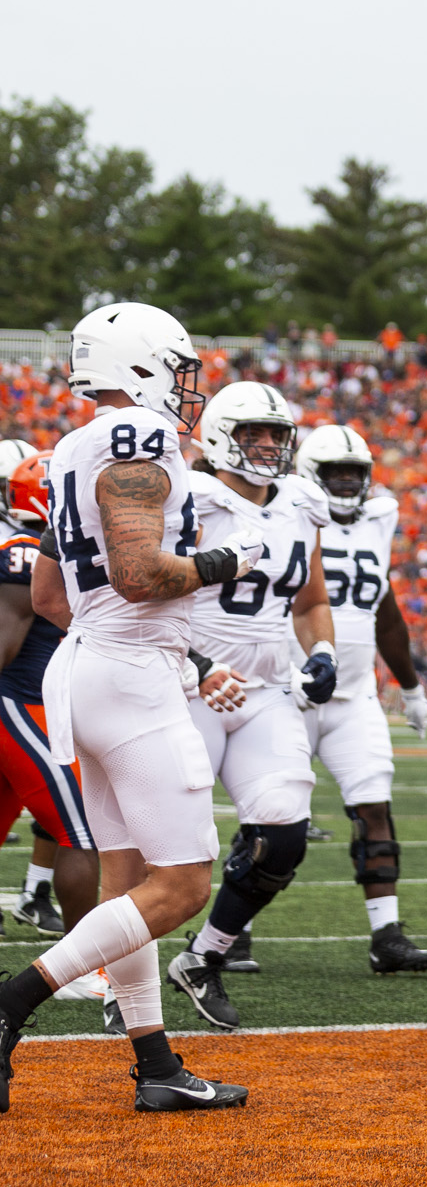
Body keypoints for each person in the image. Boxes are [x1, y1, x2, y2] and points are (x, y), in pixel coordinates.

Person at [0, 301, 256, 1112]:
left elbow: (47, 595)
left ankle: (155, 1066)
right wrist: (226, 561)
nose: (187, 387)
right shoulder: (138, 438)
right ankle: (9, 1005)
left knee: (128, 881)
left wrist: (119, 641)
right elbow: (142, 574)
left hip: (86, 670)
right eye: (177, 366)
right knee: (180, 886)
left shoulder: (69, 448)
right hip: (131, 672)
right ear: (141, 363)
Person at [163, 382, 341, 1030]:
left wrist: (321, 651)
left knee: (283, 831)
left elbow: (311, 601)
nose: (268, 445)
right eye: (251, 434)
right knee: (175, 855)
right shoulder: (189, 498)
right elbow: (148, 593)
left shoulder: (299, 503)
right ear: (217, 436)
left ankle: (203, 958)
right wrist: (195, 666)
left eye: (276, 434)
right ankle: (114, 978)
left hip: (264, 690)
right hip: (188, 683)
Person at [239, 422, 427, 976]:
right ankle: (234, 935)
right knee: (268, 814)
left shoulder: (380, 521)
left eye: (356, 474)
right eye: (336, 474)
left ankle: (387, 935)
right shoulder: (285, 514)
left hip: (354, 698)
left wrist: (410, 687)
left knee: (374, 806)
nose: (348, 483)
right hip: (288, 691)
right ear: (311, 475)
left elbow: (388, 616)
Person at [0, 449, 100, 955]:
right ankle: (80, 965)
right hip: (19, 704)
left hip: (36, 706)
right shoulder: (22, 552)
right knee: (83, 829)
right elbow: (3, 649)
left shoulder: (53, 551)